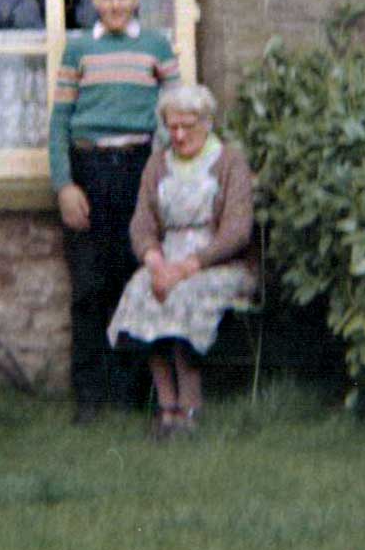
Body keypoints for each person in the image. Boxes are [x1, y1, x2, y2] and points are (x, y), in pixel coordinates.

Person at [49, 0, 180, 424]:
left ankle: (131, 395)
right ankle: (88, 398)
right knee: (88, 286)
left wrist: (162, 178)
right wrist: (65, 185)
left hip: (139, 170)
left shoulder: (158, 48)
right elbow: (59, 122)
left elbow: (175, 112)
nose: (115, 4)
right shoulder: (79, 51)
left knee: (135, 280)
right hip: (89, 170)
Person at [108, 81, 257, 438]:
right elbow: (142, 223)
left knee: (182, 295)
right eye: (171, 126)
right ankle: (167, 406)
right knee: (142, 290)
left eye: (186, 126)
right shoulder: (158, 164)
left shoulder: (229, 161)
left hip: (217, 263)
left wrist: (188, 267)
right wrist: (156, 262)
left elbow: (237, 231)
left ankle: (190, 406)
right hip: (167, 259)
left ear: (206, 123)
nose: (177, 135)